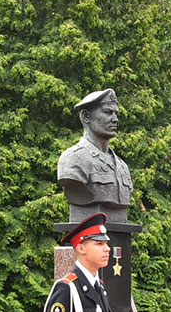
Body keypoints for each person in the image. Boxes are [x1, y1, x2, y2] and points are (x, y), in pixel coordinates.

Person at [56, 89, 135, 223]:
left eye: (116, 113)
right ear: (86, 116)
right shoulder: (73, 158)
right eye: (108, 112)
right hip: (90, 228)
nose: (115, 119)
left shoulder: (122, 166)